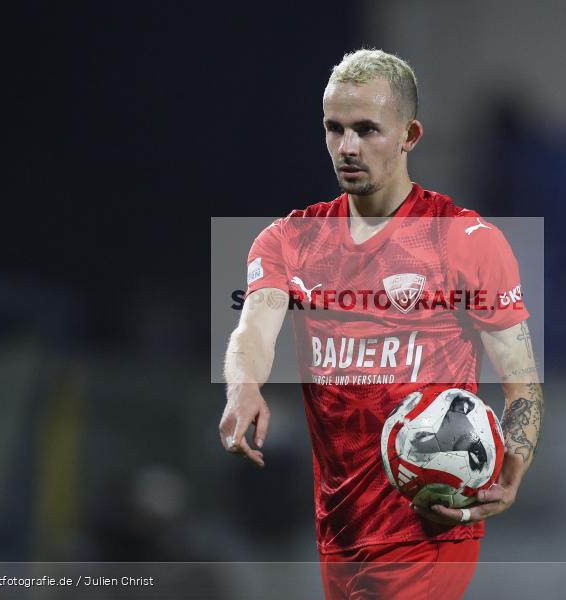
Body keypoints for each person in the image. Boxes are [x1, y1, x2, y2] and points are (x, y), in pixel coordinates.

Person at [219, 49, 544, 599]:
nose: (347, 147)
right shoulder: (289, 241)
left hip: (428, 527)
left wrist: (515, 464)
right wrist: (243, 386)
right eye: (335, 129)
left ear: (409, 135)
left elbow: (522, 380)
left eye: (367, 129)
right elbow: (253, 327)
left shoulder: (467, 242)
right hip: (340, 528)